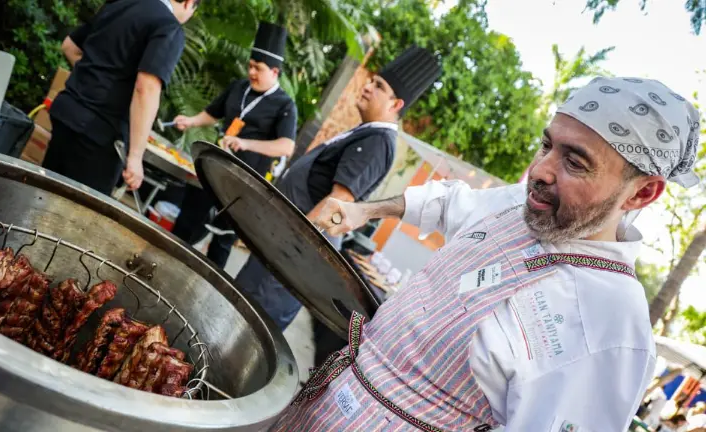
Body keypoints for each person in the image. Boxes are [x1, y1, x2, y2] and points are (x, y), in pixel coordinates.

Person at [270, 77, 701, 431]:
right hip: (325, 405)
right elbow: (448, 201)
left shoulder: (610, 329)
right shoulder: (523, 206)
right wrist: (366, 209)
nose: (541, 171)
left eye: (575, 162)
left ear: (642, 192)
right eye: (546, 145)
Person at [232, 46, 441, 332]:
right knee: (234, 313)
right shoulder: (364, 131)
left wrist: (287, 247)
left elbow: (337, 207)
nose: (367, 87)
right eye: (372, 81)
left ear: (396, 104)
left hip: (291, 260)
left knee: (246, 329)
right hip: (281, 251)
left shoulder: (377, 142)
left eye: (378, 86)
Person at [171, 21, 297, 268]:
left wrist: (245, 143)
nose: (251, 72)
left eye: (258, 69)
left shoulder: (285, 105)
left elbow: (286, 147)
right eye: (250, 66)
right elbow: (212, 113)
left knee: (222, 241)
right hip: (213, 167)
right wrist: (190, 121)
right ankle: (167, 258)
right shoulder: (239, 87)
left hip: (244, 183)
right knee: (187, 220)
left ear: (275, 72)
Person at [43, 0, 198, 195]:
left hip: (67, 112)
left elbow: (69, 47)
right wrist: (135, 157)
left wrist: (97, 81)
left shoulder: (120, 3)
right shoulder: (168, 26)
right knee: (75, 218)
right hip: (99, 135)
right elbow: (146, 89)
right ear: (189, 3)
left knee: (42, 197)